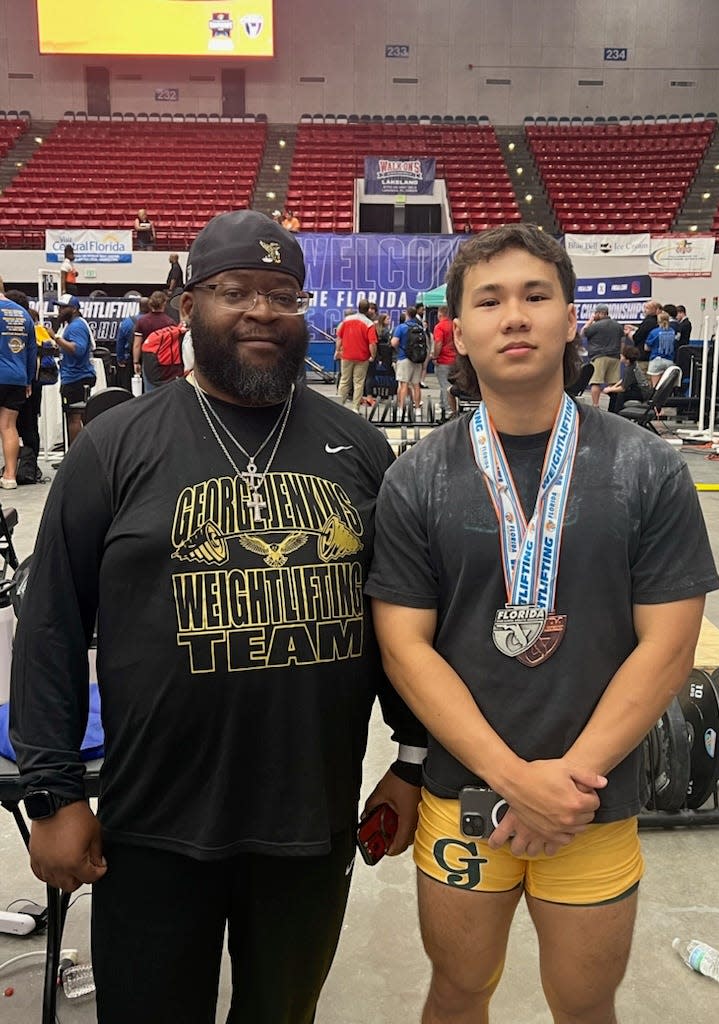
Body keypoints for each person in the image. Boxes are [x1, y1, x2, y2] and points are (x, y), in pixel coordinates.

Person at [10, 209, 425, 1024]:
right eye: (235, 289)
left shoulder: (358, 446)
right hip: (155, 822)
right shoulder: (117, 444)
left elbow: (400, 623)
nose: (261, 310)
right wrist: (53, 796)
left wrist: (411, 764)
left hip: (310, 821)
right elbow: (51, 622)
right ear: (188, 303)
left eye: (283, 292)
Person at [365, 223, 719, 1024]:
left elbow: (669, 649)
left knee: (586, 1003)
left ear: (570, 319)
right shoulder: (416, 476)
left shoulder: (647, 467)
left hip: (591, 804)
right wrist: (515, 780)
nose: (515, 316)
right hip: (464, 800)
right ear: (456, 331)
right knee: (457, 991)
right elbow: (404, 648)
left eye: (536, 295)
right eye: (489, 300)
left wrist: (564, 784)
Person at [0, 278, 36, 487]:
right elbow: (32, 352)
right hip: (17, 377)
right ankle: (10, 476)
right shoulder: (24, 314)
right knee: (8, 426)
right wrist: (28, 380)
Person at [52, 295, 96, 444]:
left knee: (74, 417)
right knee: (76, 416)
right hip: (75, 376)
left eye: (63, 307)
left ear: (74, 309)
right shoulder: (73, 324)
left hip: (76, 377)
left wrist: (56, 338)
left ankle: (75, 456)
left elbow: (77, 349)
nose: (59, 310)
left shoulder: (76, 326)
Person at [335, 299, 377, 412]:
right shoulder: (369, 324)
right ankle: (355, 408)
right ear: (368, 309)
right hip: (362, 357)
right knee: (358, 382)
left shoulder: (346, 320)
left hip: (346, 355)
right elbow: (372, 343)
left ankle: (339, 406)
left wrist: (337, 350)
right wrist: (373, 355)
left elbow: (339, 337)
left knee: (344, 380)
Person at [581, 303, 623, 408]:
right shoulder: (617, 325)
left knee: (595, 382)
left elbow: (582, 333)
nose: (594, 315)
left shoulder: (596, 325)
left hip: (599, 356)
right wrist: (620, 353)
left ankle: (595, 405)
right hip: (615, 356)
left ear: (600, 313)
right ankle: (613, 407)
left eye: (595, 313)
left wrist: (590, 321)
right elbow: (622, 341)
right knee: (613, 383)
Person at [133, 290, 175, 392]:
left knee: (150, 393)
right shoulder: (170, 322)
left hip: (148, 361)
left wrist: (136, 362)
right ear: (164, 303)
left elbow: (137, 345)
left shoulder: (142, 321)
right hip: (165, 362)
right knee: (165, 392)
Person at [392, 305, 425, 416]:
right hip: (417, 359)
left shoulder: (401, 327)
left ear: (406, 314)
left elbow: (394, 343)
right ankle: (417, 409)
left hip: (404, 358)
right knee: (416, 385)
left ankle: (401, 409)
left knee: (404, 385)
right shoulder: (419, 327)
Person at [604, 344, 652, 414]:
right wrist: (613, 387)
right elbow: (624, 380)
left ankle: (617, 413)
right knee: (614, 392)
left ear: (627, 359)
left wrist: (609, 389)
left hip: (641, 393)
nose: (620, 355)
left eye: (622, 355)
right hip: (638, 390)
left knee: (620, 394)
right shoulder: (632, 365)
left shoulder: (630, 369)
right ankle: (611, 412)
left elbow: (623, 388)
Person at [115, 296, 149, 390]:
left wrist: (120, 358)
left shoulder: (127, 322)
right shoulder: (153, 322)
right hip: (150, 360)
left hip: (131, 361)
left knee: (130, 388)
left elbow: (120, 342)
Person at [432, 304, 457, 417]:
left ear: (440, 314)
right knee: (451, 384)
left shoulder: (439, 327)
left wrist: (435, 356)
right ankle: (443, 404)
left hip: (443, 360)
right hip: (455, 359)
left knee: (444, 385)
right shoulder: (454, 325)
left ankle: (449, 409)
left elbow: (438, 343)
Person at [643, 309, 677, 387]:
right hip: (669, 361)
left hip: (656, 360)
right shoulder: (672, 332)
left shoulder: (654, 332)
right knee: (667, 386)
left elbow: (646, 348)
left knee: (656, 387)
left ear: (658, 321)